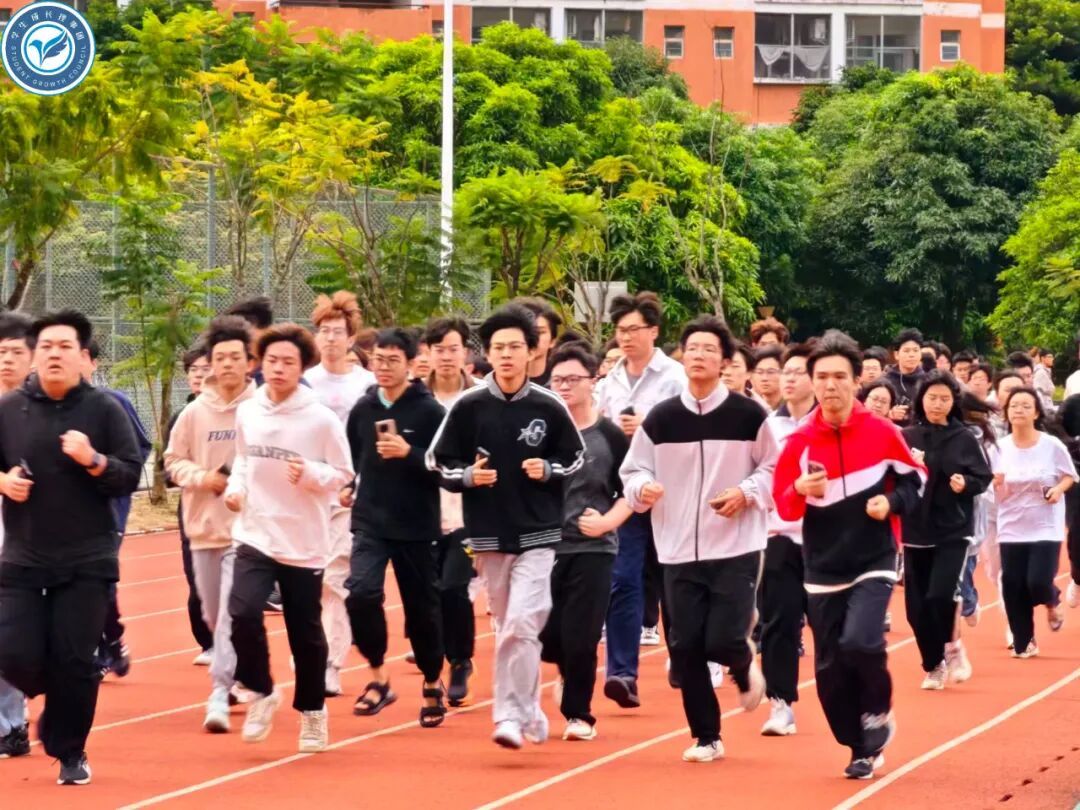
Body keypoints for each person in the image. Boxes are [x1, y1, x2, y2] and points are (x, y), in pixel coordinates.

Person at [427, 303, 585, 750]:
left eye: (516, 347)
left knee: (521, 622)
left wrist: (548, 469)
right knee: (512, 627)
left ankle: (508, 715)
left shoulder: (548, 405)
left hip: (539, 533)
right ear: (488, 353)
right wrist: (467, 477)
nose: (507, 355)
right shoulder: (469, 405)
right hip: (489, 534)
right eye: (499, 348)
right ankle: (530, 707)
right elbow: (437, 461)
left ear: (531, 351)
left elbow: (575, 456)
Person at [621, 315, 776, 763]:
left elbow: (773, 468)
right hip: (675, 548)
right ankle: (706, 736)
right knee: (685, 645)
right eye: (692, 349)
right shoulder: (662, 419)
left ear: (725, 361)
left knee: (723, 640)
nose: (699, 356)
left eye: (709, 349)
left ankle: (742, 663)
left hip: (735, 545)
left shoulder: (750, 415)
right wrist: (642, 488)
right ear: (682, 356)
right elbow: (633, 470)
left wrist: (745, 492)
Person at [773, 330, 924, 781]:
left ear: (857, 380)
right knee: (830, 670)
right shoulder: (799, 441)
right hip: (822, 566)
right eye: (822, 377)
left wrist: (890, 503)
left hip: (874, 558)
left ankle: (878, 711)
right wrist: (799, 488)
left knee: (861, 640)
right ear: (812, 382)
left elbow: (915, 480)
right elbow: (783, 506)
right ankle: (859, 747)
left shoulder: (882, 432)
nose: (830, 385)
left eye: (839, 376)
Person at [0, 309, 142, 786]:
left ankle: (70, 750)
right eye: (46, 347)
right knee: (12, 651)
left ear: (83, 357)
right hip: (24, 554)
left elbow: (130, 474)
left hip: (87, 557)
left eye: (64, 347)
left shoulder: (105, 409)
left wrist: (94, 460)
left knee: (77, 660)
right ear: (34, 355)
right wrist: (4, 482)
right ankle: (59, 693)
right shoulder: (9, 409)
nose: (54, 355)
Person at [224, 323, 353, 752]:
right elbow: (243, 459)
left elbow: (344, 474)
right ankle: (262, 691)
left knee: (305, 632)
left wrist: (312, 474)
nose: (278, 369)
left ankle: (313, 710)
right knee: (242, 612)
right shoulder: (249, 411)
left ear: (303, 368)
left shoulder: (320, 419)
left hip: (303, 538)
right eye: (272, 361)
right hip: (255, 531)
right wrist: (236, 488)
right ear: (260, 363)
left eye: (288, 362)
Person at [343, 327, 448, 727]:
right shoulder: (363, 409)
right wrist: (348, 486)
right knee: (360, 594)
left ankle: (432, 680)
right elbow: (355, 460)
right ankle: (378, 677)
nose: (383, 367)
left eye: (392, 360)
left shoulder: (430, 412)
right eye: (377, 360)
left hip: (417, 524)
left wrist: (410, 453)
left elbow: (446, 466)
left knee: (422, 609)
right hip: (370, 521)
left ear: (411, 363)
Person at [165, 316, 257, 733]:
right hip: (204, 527)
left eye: (235, 357)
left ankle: (219, 690)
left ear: (250, 362)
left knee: (234, 610)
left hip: (250, 531)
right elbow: (172, 462)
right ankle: (238, 673)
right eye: (220, 358)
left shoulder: (261, 409)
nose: (227, 365)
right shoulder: (193, 412)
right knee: (213, 613)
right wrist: (204, 478)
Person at [595, 291, 686, 709]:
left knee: (673, 581)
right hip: (625, 492)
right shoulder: (608, 382)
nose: (626, 337)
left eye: (634, 329)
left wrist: (650, 425)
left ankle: (683, 656)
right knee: (623, 579)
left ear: (654, 331)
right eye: (620, 330)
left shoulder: (675, 377)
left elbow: (691, 428)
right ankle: (622, 673)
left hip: (671, 493)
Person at [540, 342, 631, 742]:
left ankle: (579, 715)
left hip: (593, 548)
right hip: (543, 546)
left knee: (582, 635)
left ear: (593, 381)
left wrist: (608, 521)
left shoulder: (609, 435)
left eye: (573, 379)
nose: (564, 386)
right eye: (557, 379)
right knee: (546, 636)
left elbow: (631, 489)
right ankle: (564, 668)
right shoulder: (540, 432)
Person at [900, 372, 991, 690]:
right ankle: (933, 665)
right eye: (932, 397)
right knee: (916, 609)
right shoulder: (907, 436)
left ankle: (952, 648)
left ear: (953, 403)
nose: (937, 404)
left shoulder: (964, 438)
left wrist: (966, 483)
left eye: (944, 399)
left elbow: (983, 477)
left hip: (953, 528)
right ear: (921, 400)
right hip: (915, 529)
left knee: (940, 594)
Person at [306, 291, 375, 697]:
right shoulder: (304, 382)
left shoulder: (366, 385)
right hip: (306, 494)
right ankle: (311, 648)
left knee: (336, 577)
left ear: (351, 339)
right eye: (324, 331)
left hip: (348, 494)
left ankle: (331, 662)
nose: (330, 338)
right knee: (306, 580)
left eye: (337, 332)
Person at [83, 340, 153, 681]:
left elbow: (140, 448)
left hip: (109, 509)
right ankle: (105, 640)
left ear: (92, 362)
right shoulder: (38, 407)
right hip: (61, 513)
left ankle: (105, 645)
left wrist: (105, 468)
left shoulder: (114, 403)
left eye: (79, 353)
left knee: (98, 578)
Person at [992, 388, 1078, 659]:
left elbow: (1070, 476)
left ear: (1037, 412)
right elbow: (987, 483)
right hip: (1011, 525)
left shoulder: (1051, 445)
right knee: (1013, 585)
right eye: (1014, 405)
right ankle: (1024, 641)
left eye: (1025, 405)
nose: (1019, 410)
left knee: (1038, 582)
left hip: (1045, 525)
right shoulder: (998, 448)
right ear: (1006, 412)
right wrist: (994, 482)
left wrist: (1058, 490)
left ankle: (1051, 599)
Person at [424, 317, 482, 706]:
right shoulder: (417, 399)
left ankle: (460, 661)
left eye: (453, 349)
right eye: (439, 350)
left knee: (453, 587)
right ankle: (435, 663)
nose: (446, 357)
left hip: (468, 514)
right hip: (423, 513)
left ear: (465, 353)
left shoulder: (479, 399)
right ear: (427, 354)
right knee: (428, 594)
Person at [760, 342, 816, 737]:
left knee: (829, 625)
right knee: (778, 621)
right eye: (787, 371)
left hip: (825, 537)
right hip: (778, 535)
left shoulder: (829, 425)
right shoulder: (767, 427)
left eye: (799, 372)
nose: (790, 378)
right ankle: (780, 703)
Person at [0, 312, 33, 760]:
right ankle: (11, 724)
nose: (7, 360)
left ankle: (15, 719)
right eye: (0, 352)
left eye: (14, 352)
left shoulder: (44, 409)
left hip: (33, 540)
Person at [171, 345, 216, 665]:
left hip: (231, 508)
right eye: (193, 370)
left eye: (205, 368)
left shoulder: (239, 412)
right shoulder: (182, 416)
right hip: (193, 508)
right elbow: (169, 467)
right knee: (197, 577)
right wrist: (197, 476)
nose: (199, 375)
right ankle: (208, 642)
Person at [1060, 395, 1080, 609]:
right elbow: (1056, 427)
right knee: (1077, 536)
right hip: (1077, 481)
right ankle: (1077, 577)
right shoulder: (1074, 404)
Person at [884, 328, 926, 424]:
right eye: (906, 351)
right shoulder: (885, 381)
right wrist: (889, 414)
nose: (911, 355)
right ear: (896, 355)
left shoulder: (928, 381)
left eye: (915, 350)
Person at [517, 298, 562, 386]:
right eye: (525, 331)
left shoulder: (564, 384)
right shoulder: (494, 384)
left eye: (540, 332)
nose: (533, 337)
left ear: (552, 341)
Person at [752, 345, 784, 413]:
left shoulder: (791, 405)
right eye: (759, 372)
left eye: (770, 372)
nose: (764, 378)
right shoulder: (752, 406)